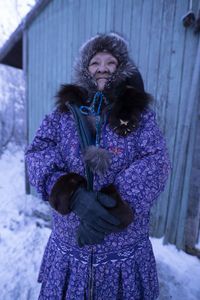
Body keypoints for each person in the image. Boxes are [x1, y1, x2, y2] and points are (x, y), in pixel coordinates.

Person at [25, 33, 171, 300]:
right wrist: (73, 195)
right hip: (70, 250)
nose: (102, 67)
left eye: (111, 62)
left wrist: (111, 205)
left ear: (122, 68)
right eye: (95, 62)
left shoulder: (140, 117)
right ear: (84, 69)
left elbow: (156, 162)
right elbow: (38, 153)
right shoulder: (62, 115)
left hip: (123, 258)